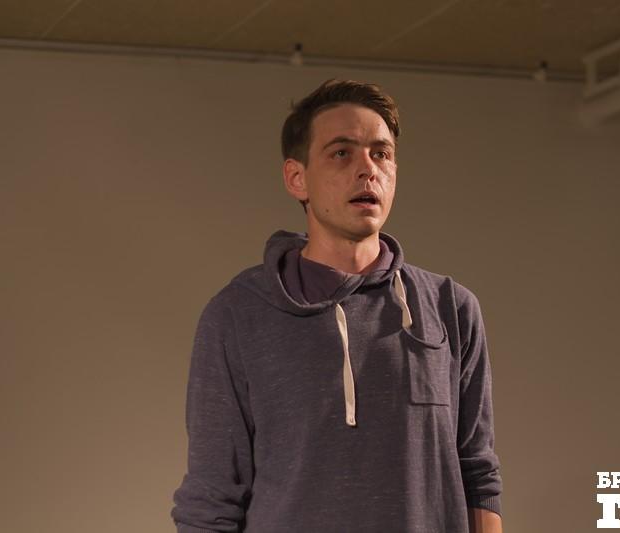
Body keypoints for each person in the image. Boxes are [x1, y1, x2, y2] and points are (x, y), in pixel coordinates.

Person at [171, 79, 502, 533]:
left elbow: (478, 474)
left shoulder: (451, 308)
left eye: (381, 154)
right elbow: (211, 500)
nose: (368, 169)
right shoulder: (238, 315)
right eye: (342, 153)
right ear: (297, 178)